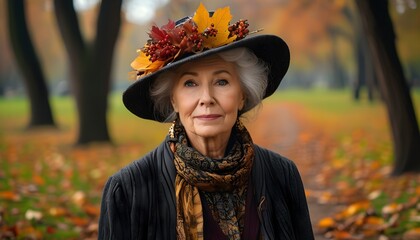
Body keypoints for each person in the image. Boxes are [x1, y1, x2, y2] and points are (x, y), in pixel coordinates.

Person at [99, 3, 314, 240]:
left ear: (242, 94)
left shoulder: (282, 175)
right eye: (190, 83)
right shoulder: (129, 189)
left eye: (221, 82)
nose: (207, 99)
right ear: (173, 100)